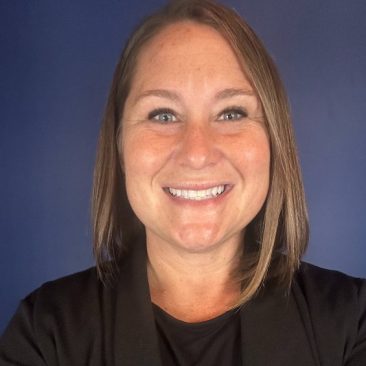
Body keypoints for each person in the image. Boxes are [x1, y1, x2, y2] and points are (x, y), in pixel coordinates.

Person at [0, 0, 365, 365]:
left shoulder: (353, 323)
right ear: (119, 144)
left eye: (231, 112)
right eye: (162, 114)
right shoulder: (46, 335)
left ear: (274, 140)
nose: (196, 152)